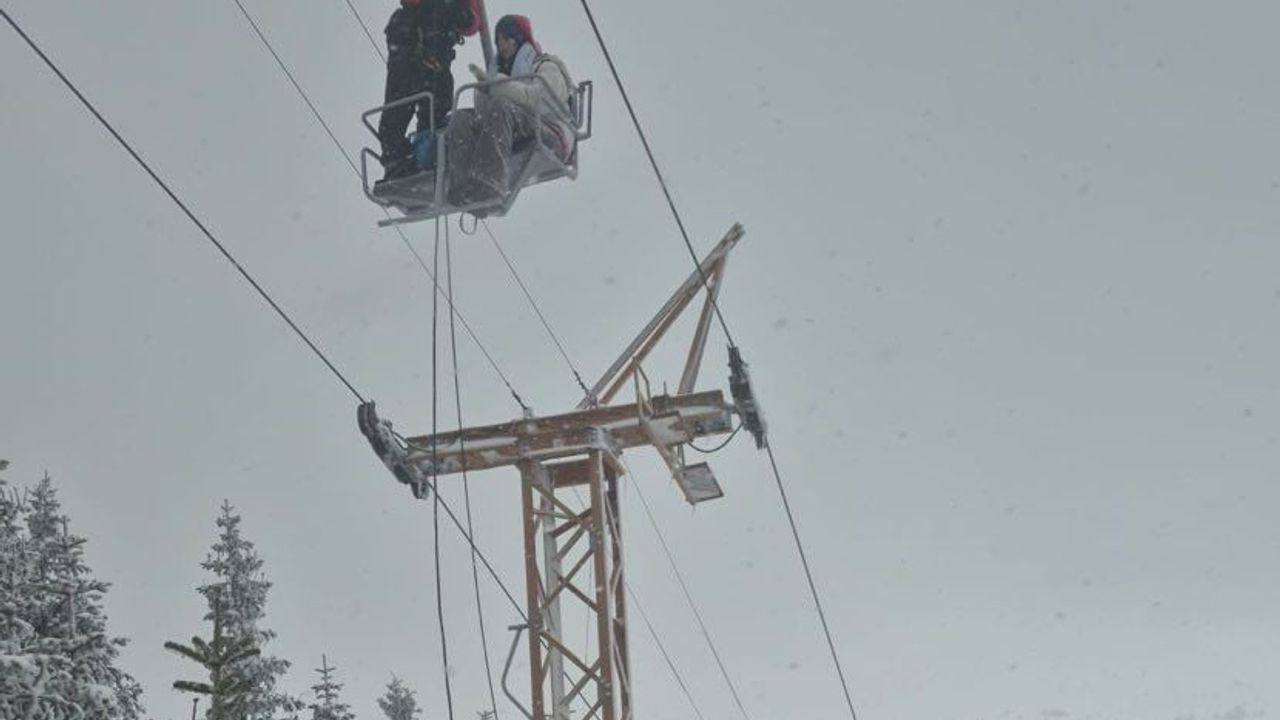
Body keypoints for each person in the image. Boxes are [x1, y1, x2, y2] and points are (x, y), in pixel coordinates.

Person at [444, 14, 575, 206]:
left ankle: (489, 185)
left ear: (519, 39)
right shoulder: (505, 73)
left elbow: (540, 100)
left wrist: (499, 85)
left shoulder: (546, 66)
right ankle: (463, 188)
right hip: (516, 127)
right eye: (498, 41)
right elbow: (486, 116)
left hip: (551, 131)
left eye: (507, 39)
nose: (502, 45)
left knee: (501, 107)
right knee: (462, 117)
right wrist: (484, 90)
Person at [378, 0, 477, 182]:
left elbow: (471, 23)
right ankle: (400, 159)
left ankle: (422, 154)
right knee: (405, 97)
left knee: (434, 100)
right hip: (417, 34)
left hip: (434, 38)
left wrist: (464, 16)